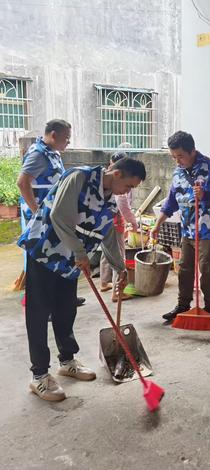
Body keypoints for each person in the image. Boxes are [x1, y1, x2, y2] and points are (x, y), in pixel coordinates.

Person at [18, 157, 146, 402]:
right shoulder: (80, 177)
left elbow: (107, 235)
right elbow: (59, 216)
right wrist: (79, 252)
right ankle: (39, 376)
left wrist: (121, 268)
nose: (128, 192)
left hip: (71, 261)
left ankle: (67, 361)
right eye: (129, 186)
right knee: (38, 313)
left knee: (66, 311)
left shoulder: (109, 201)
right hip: (45, 252)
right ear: (117, 174)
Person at [151, 131, 210, 325]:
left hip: (209, 230)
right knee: (184, 268)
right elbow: (171, 201)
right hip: (187, 229)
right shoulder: (178, 172)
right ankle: (183, 305)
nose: (177, 161)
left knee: (206, 268)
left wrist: (205, 195)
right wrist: (157, 224)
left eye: (180, 156)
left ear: (192, 151)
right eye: (173, 157)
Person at [17, 119, 85, 307]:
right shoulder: (38, 154)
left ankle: (62, 299)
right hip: (41, 220)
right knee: (42, 261)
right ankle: (42, 307)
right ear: (53, 135)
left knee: (56, 256)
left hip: (52, 215)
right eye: (66, 138)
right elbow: (22, 183)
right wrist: (36, 212)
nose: (68, 143)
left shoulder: (52, 152)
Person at [99, 152, 139, 302]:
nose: (128, 190)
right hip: (115, 223)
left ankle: (104, 282)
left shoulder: (109, 179)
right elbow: (123, 204)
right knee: (118, 256)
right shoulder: (119, 181)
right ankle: (117, 291)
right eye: (129, 186)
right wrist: (133, 222)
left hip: (108, 223)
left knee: (107, 253)